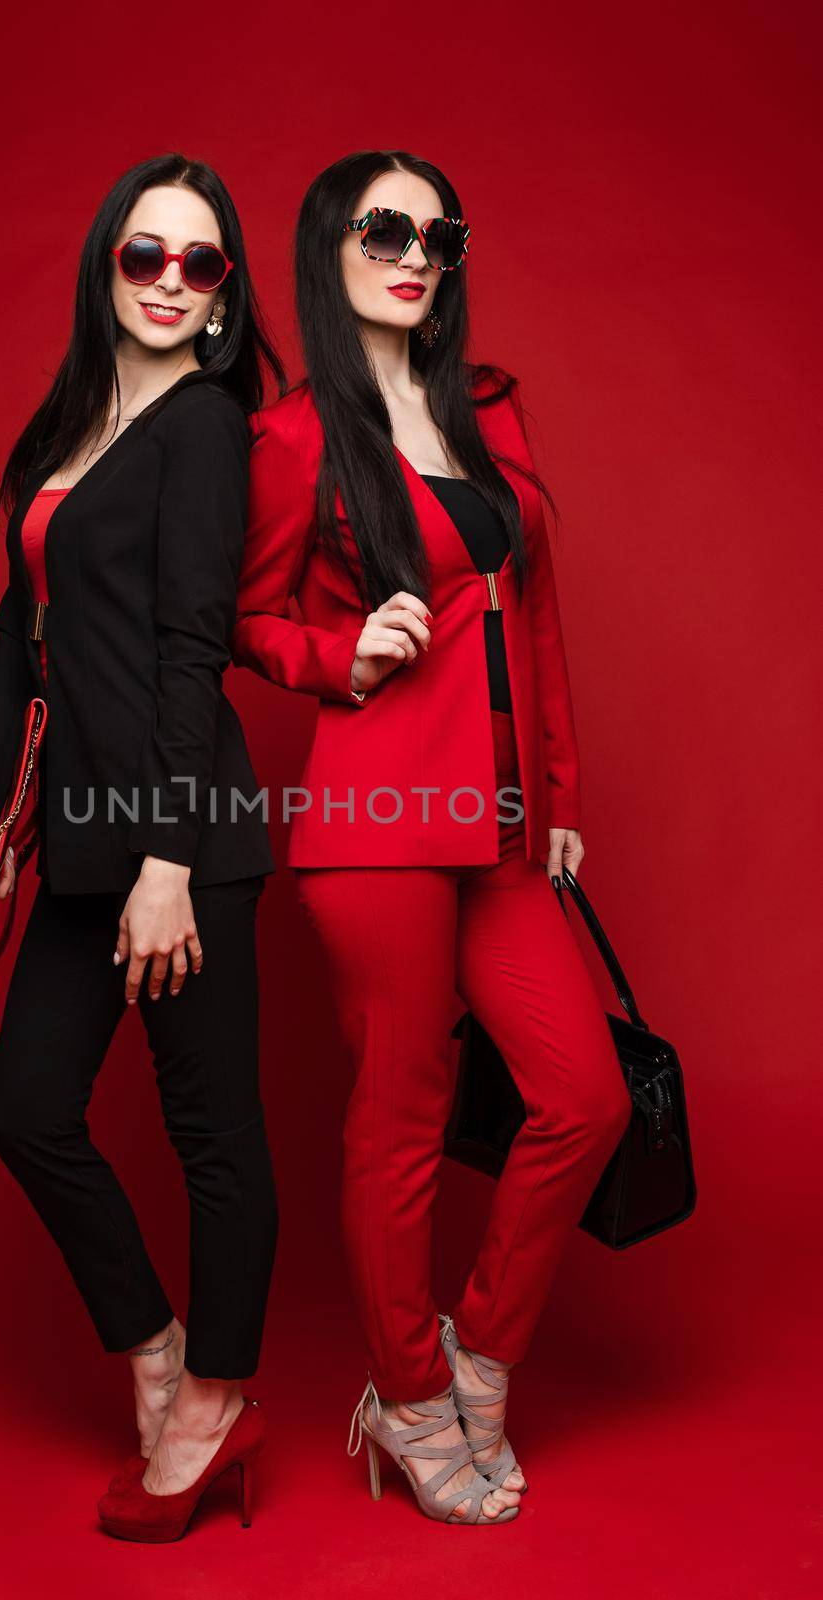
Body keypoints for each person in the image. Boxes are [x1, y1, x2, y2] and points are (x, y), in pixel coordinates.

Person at [232, 150, 631, 1526]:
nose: (416, 251)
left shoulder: (490, 415)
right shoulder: (288, 440)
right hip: (376, 815)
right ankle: (406, 1402)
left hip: (503, 817)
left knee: (586, 1096)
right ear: (328, 249)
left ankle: (479, 1360)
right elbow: (246, 618)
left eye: (439, 232)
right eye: (384, 228)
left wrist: (560, 792)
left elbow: (542, 614)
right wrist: (340, 656)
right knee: (399, 1121)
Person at [0, 154, 282, 1542]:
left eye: (199, 265)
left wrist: (163, 862)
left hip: (179, 841)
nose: (166, 283)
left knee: (214, 1135)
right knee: (25, 1111)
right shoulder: (70, 425)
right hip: (81, 840)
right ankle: (149, 1349)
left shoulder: (206, 430)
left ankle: (213, 1404)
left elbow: (192, 652)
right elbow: (18, 634)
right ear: (107, 263)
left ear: (223, 296)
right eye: (144, 255)